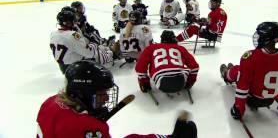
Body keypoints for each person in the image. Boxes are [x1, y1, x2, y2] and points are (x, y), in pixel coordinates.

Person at [36, 60, 198, 138]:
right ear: (81, 92)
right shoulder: (86, 126)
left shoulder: (52, 102)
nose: (106, 97)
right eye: (99, 93)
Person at [219, 22, 278, 120]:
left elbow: (243, 85)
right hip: (272, 99)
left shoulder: (251, 56)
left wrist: (239, 108)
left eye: (260, 35)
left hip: (253, 98)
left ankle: (227, 74)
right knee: (245, 69)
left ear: (267, 38)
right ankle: (232, 70)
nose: (258, 37)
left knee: (239, 70)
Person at [50, 10, 116, 73]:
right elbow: (89, 53)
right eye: (73, 20)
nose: (75, 22)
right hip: (75, 67)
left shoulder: (53, 34)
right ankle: (113, 55)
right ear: (69, 22)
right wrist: (94, 44)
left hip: (63, 66)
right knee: (98, 53)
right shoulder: (72, 35)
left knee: (98, 49)